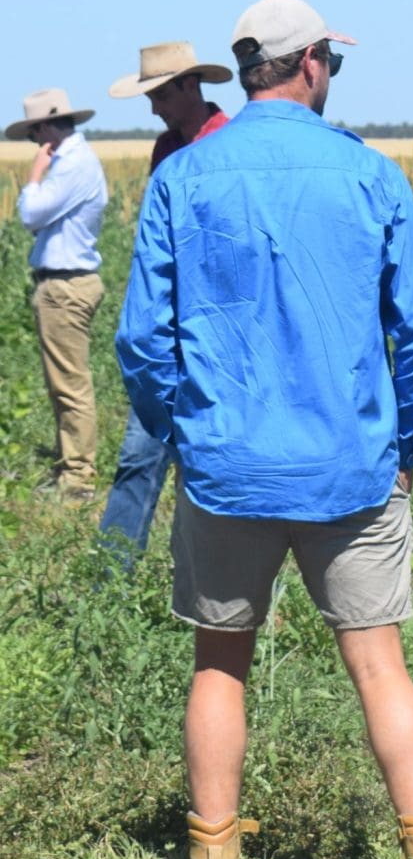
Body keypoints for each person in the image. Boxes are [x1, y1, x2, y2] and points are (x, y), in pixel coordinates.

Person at [116, 0, 413, 859]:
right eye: (331, 62)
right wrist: (404, 449)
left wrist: (184, 432)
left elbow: (144, 342)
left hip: (227, 467)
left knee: (220, 665)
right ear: (309, 63)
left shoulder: (183, 179)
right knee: (381, 667)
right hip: (350, 465)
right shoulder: (370, 174)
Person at [101, 42, 234, 566]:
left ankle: (218, 578)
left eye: (159, 94)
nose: (154, 107)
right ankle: (110, 581)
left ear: (190, 86)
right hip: (166, 332)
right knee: (139, 456)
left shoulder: (230, 145)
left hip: (217, 333)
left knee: (212, 462)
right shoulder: (164, 150)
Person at [6, 89, 108, 502]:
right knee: (63, 384)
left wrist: (34, 174)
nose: (35, 143)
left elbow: (31, 215)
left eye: (34, 134)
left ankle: (78, 479)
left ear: (47, 128)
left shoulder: (72, 165)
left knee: (70, 386)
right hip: (62, 283)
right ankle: (71, 465)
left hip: (66, 286)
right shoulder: (74, 163)